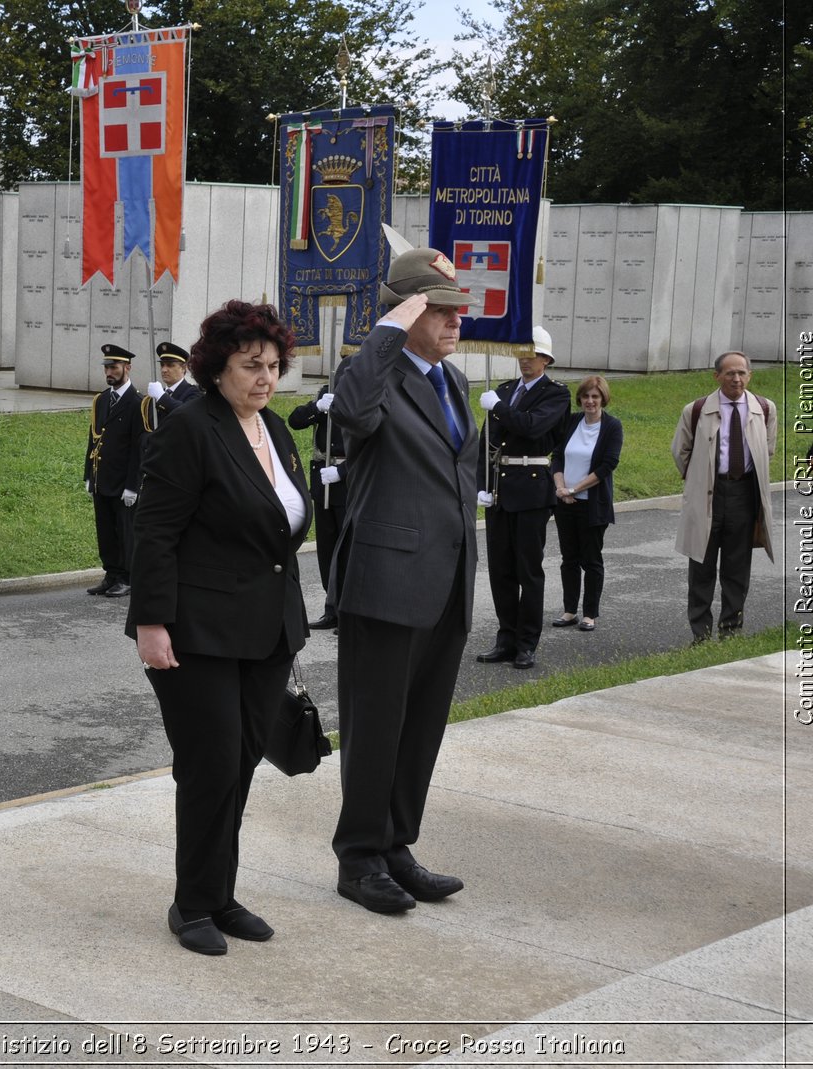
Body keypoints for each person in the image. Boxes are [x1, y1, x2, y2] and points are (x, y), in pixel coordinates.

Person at [129, 300, 310, 955]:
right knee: (208, 766)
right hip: (196, 631)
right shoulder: (190, 429)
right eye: (250, 366)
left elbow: (283, 528)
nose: (265, 377)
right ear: (217, 367)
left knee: (239, 765)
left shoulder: (278, 431)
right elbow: (154, 530)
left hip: (267, 631)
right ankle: (192, 903)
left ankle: (220, 892)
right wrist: (151, 621)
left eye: (272, 365)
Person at [328, 247, 478, 914]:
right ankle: (359, 856)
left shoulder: (455, 385)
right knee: (377, 725)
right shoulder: (371, 375)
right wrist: (390, 324)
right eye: (439, 310)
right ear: (409, 311)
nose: (454, 322)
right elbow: (352, 412)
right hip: (385, 581)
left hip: (444, 580)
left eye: (456, 311)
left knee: (419, 726)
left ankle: (396, 846)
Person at [474, 325, 570, 670]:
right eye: (523, 354)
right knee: (501, 569)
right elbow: (487, 443)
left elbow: (531, 426)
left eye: (534, 355)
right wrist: (480, 485)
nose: (526, 361)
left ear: (546, 359)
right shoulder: (505, 390)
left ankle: (527, 642)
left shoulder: (555, 394)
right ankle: (506, 637)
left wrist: (498, 408)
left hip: (531, 487)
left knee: (528, 570)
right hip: (500, 488)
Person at [671, 351, 775, 641]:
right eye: (730, 373)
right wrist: (700, 477)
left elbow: (767, 450)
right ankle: (701, 634)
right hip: (709, 492)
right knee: (701, 566)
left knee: (737, 566)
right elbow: (681, 451)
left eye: (742, 373)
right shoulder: (697, 409)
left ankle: (731, 630)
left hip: (744, 493)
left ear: (750, 376)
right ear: (716, 376)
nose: (736, 379)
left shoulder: (765, 409)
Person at [550, 375, 624, 631]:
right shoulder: (571, 422)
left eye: (595, 396)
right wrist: (561, 488)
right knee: (568, 558)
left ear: (603, 398)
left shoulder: (612, 426)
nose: (590, 401)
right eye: (585, 396)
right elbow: (557, 456)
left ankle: (590, 613)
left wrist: (574, 488)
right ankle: (570, 610)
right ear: (579, 398)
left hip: (592, 504)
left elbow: (607, 465)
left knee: (591, 560)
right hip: (565, 503)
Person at [287, 354, 352, 630]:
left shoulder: (366, 395)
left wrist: (343, 471)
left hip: (347, 480)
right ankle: (332, 607)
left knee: (347, 550)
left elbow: (373, 447)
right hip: (323, 481)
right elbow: (296, 420)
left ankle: (349, 610)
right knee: (326, 547)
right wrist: (318, 406)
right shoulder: (327, 392)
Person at [84, 344, 143, 597]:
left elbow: (140, 448)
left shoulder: (138, 403)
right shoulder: (101, 400)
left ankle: (127, 577)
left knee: (125, 532)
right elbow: (93, 439)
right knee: (105, 530)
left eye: (114, 367)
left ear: (127, 368)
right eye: (107, 367)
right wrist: (88, 475)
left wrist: (133, 485)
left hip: (123, 482)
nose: (109, 372)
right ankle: (111, 573)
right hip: (102, 478)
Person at [139, 341, 200, 433]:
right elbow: (144, 429)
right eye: (162, 365)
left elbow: (187, 415)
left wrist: (161, 397)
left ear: (184, 368)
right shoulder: (153, 397)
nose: (164, 370)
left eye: (170, 365)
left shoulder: (194, 393)